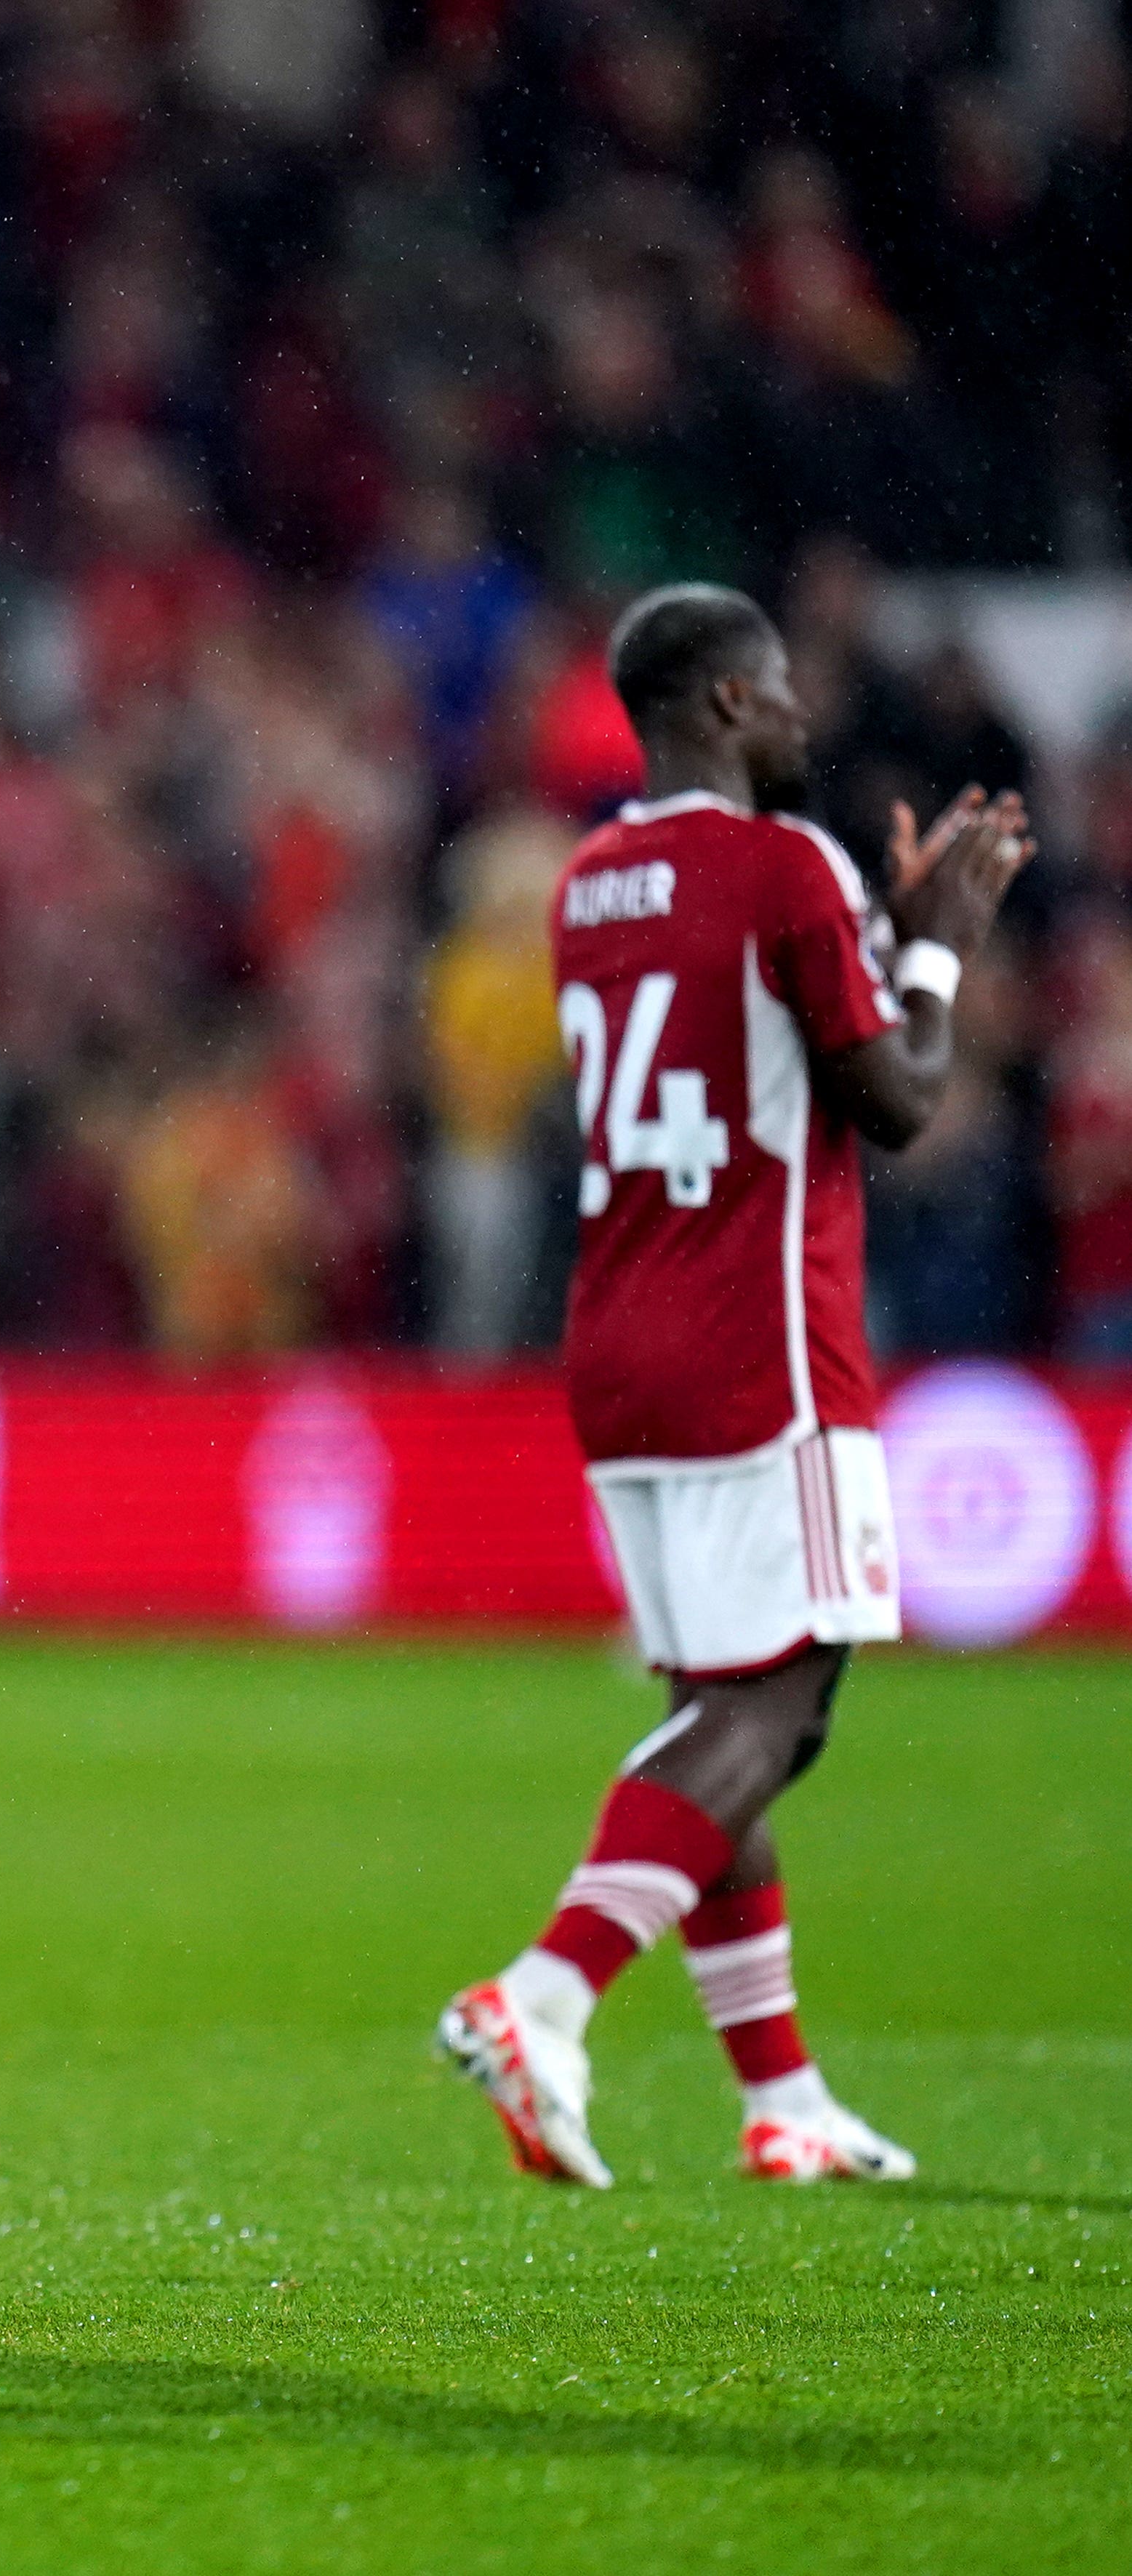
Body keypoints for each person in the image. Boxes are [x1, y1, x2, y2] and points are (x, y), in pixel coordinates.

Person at [436, 582, 1031, 2190]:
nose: (797, 714)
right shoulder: (785, 866)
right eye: (773, 690)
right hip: (763, 1340)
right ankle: (543, 1994)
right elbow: (897, 1100)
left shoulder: (587, 883)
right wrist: (940, 952)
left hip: (622, 1338)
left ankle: (784, 2098)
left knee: (726, 1717)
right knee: (783, 1706)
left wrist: (877, 939)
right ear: (717, 704)